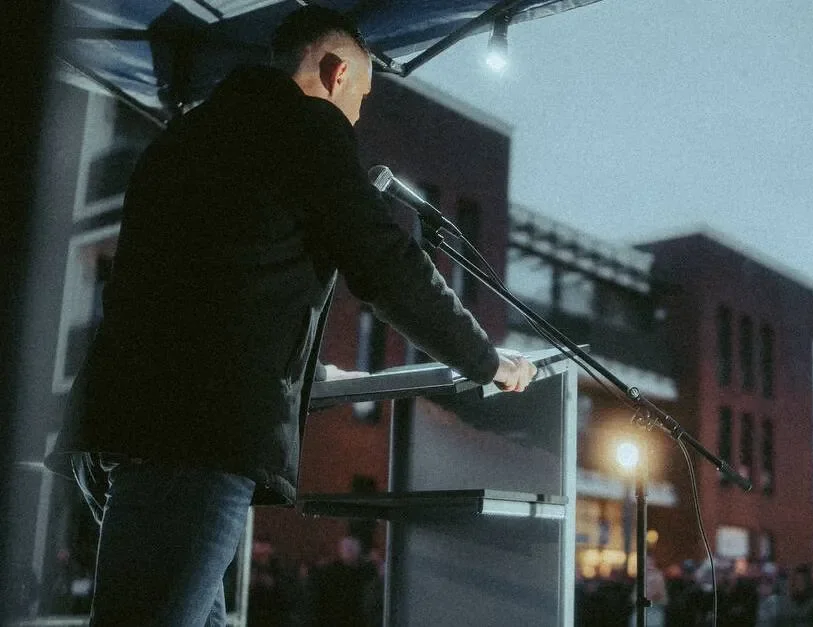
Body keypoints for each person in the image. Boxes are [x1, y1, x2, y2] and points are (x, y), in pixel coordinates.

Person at [43, 6, 537, 626]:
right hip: (196, 431)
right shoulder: (303, 127)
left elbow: (218, 276)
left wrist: (307, 367)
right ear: (333, 72)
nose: (356, 117)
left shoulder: (188, 136)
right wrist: (485, 361)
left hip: (128, 423)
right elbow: (385, 263)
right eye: (358, 99)